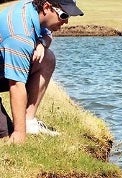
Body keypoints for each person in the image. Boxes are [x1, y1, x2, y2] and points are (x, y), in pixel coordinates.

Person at [0, 0, 83, 143]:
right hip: (7, 68)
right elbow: (16, 86)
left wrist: (41, 43)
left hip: (3, 67)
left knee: (47, 58)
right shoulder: (20, 37)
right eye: (64, 15)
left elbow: (47, 34)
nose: (66, 22)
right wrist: (20, 134)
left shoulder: (33, 10)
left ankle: (28, 122)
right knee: (7, 136)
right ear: (46, 7)